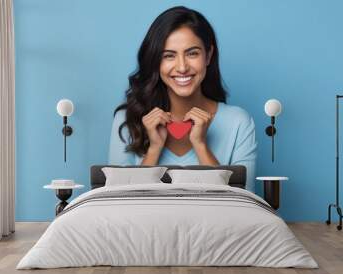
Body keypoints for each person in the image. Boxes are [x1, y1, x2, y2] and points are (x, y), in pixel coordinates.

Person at [108, 6, 257, 191]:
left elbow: (245, 204)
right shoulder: (126, 120)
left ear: (208, 55)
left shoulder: (238, 122)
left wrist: (201, 145)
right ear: (156, 61)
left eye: (192, 53)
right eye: (168, 56)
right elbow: (116, 203)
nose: (182, 67)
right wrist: (154, 149)